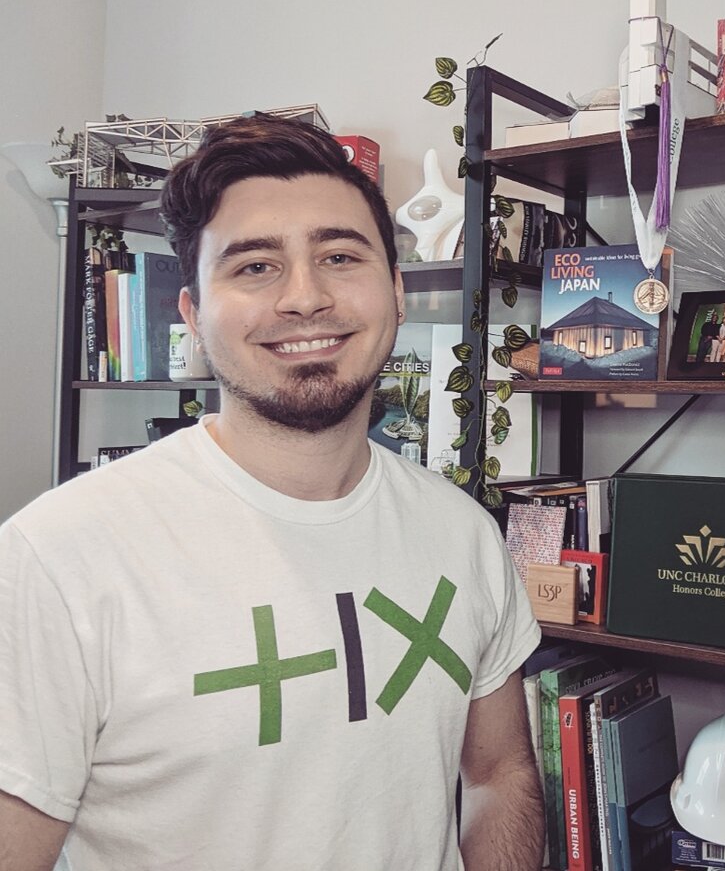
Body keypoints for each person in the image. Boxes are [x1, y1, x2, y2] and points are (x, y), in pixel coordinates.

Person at [0, 114, 544, 871]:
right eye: (254, 267)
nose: (305, 297)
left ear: (393, 288)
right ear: (191, 312)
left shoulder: (462, 533)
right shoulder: (56, 558)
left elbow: (499, 775)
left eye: (339, 256)